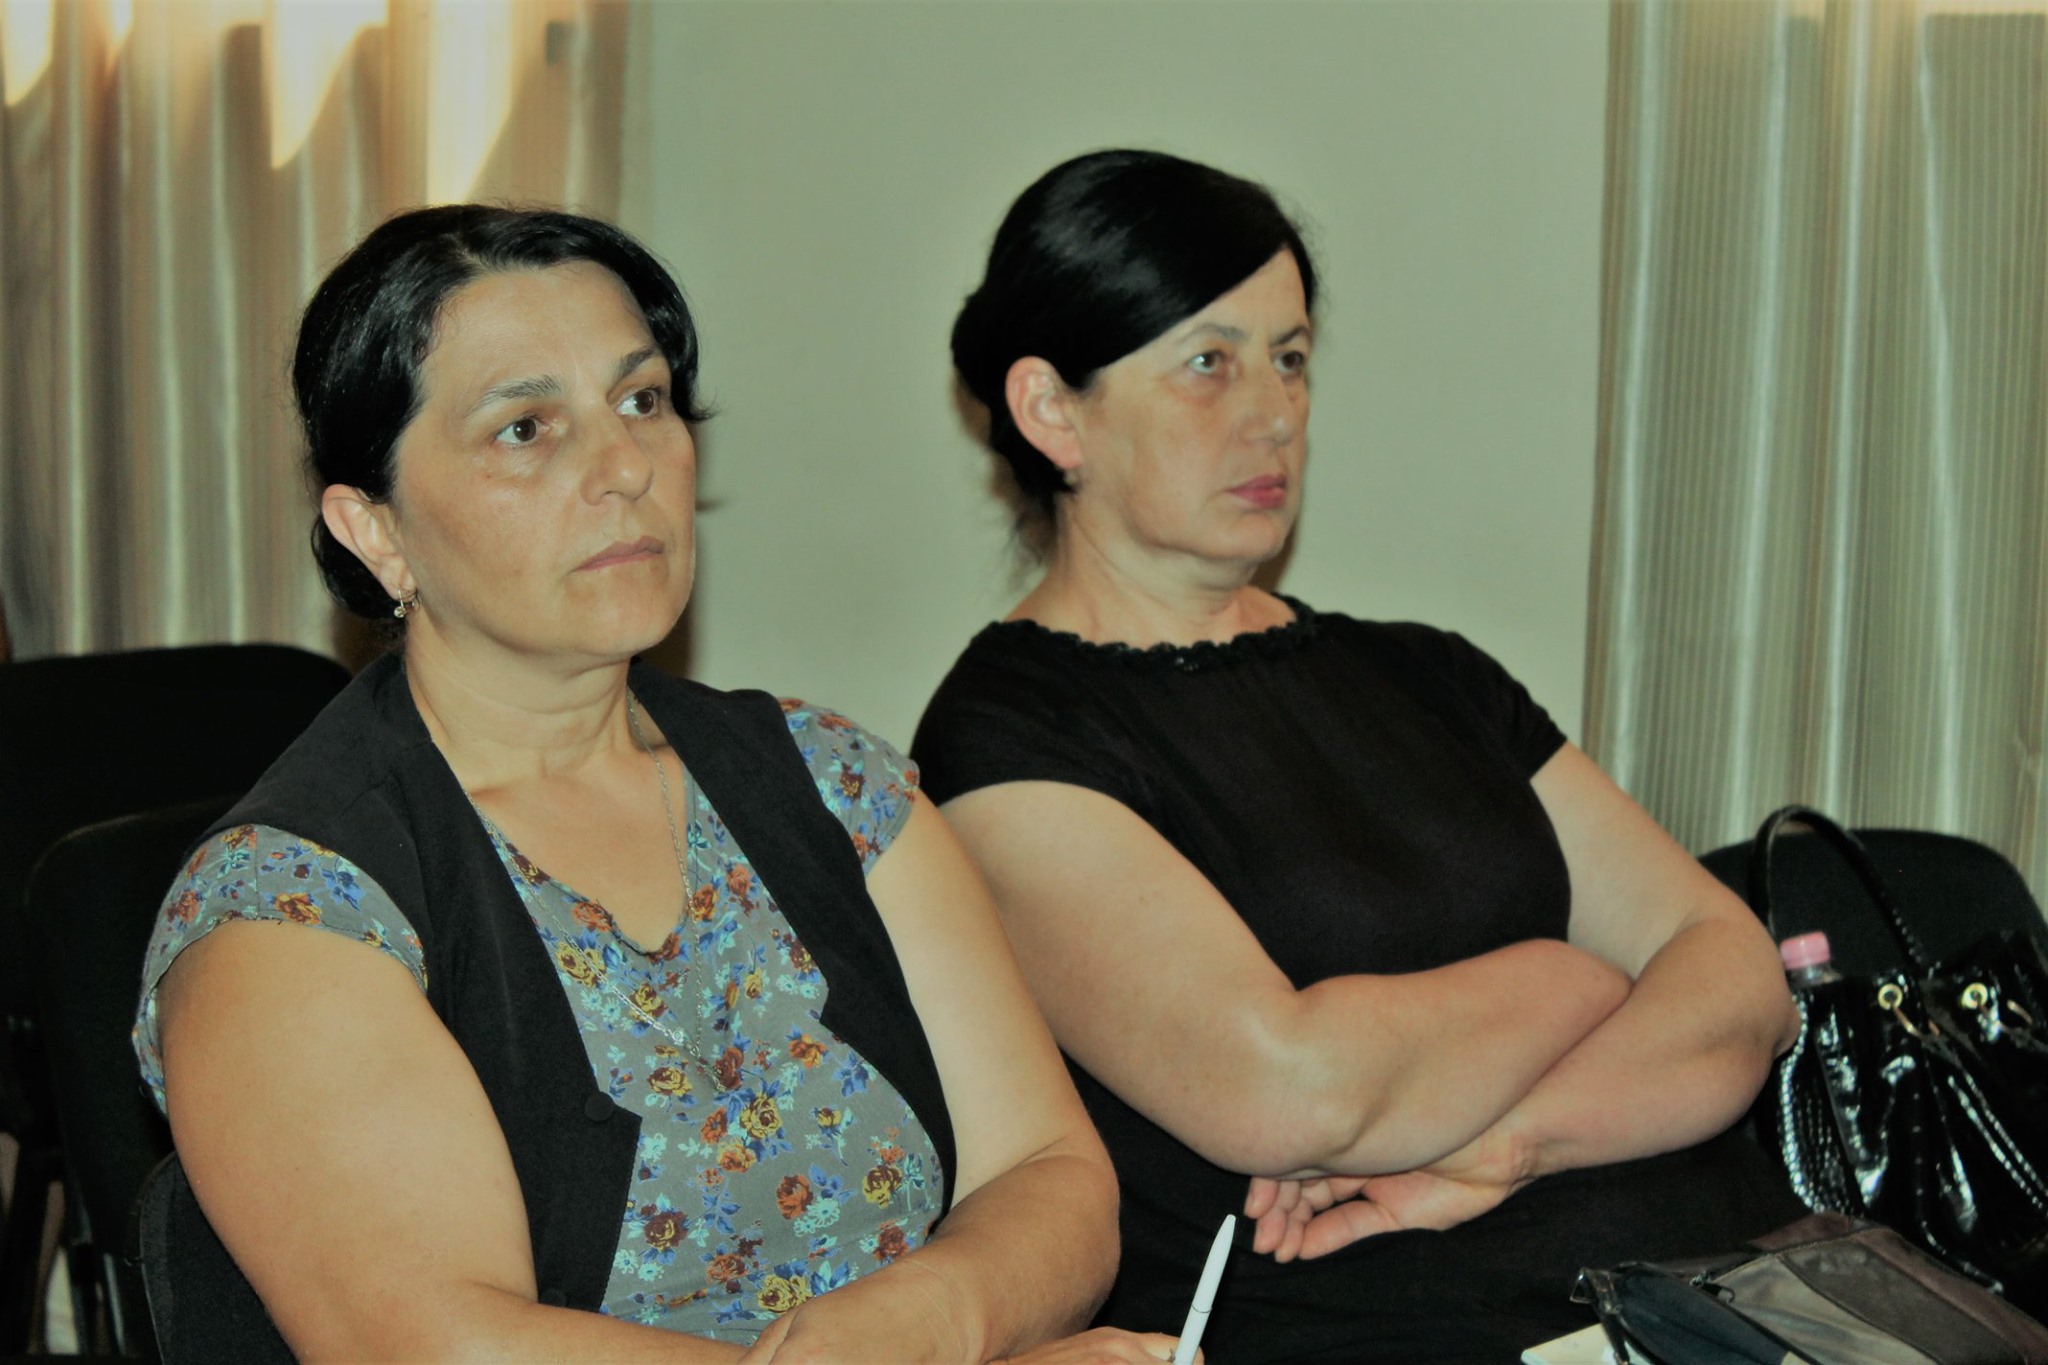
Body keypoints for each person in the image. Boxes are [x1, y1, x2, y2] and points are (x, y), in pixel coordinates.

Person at [133, 205, 1182, 1363]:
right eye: (525, 428)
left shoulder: (828, 781)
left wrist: (941, 1319)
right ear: (375, 531)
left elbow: (1048, 1171)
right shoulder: (289, 909)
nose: (626, 468)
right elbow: (447, 1347)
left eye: (641, 401)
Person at [912, 150, 1808, 1363]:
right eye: (1208, 363)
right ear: (1050, 410)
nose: (1272, 411)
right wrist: (1576, 977)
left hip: (1739, 1291)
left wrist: (1503, 1148)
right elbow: (1289, 1093)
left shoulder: (1428, 672)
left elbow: (1737, 987)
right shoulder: (1006, 736)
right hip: (1393, 1328)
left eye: (1288, 359)